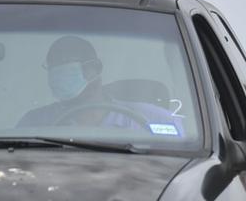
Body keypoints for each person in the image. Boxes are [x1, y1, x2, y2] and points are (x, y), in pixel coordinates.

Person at [18, 35, 182, 135]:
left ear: (94, 69)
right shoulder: (34, 124)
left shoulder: (156, 120)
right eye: (53, 68)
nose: (59, 77)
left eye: (66, 66)